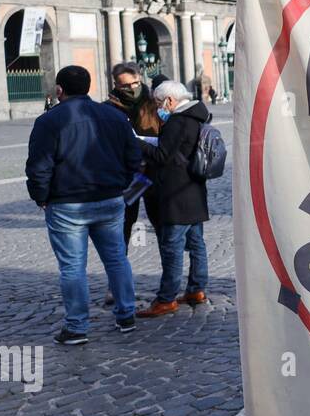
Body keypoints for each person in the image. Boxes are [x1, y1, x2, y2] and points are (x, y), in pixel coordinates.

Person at [25, 65, 143, 344]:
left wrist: (40, 196)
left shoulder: (49, 121)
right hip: (110, 199)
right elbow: (134, 157)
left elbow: (39, 166)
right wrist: (120, 184)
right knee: (116, 258)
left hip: (67, 204)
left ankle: (77, 327)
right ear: (89, 87)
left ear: (59, 90)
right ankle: (126, 315)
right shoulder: (115, 116)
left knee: (72, 267)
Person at [139, 81, 212, 317]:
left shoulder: (178, 121)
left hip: (176, 193)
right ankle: (196, 289)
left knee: (172, 247)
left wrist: (138, 143)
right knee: (196, 243)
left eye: (159, 103)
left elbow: (162, 156)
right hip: (194, 189)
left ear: (170, 101)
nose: (158, 108)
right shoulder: (198, 116)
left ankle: (166, 298)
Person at [105, 62, 162, 246]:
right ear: (116, 85)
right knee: (123, 225)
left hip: (154, 171)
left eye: (135, 83)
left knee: (162, 225)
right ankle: (120, 273)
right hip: (127, 175)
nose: (132, 89)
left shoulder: (155, 103)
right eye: (126, 86)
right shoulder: (108, 109)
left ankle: (171, 274)